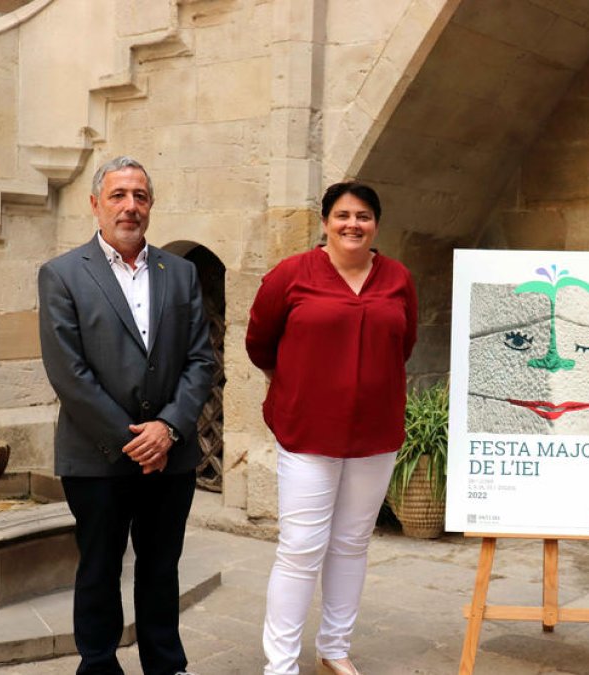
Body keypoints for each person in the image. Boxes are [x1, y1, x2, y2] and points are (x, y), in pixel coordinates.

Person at [38, 156, 214, 675]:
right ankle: (97, 665)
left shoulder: (179, 273)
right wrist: (134, 440)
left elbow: (201, 360)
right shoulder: (63, 275)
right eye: (118, 195)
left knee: (161, 570)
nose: (129, 206)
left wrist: (168, 429)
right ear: (95, 204)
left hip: (172, 455)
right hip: (96, 458)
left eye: (139, 196)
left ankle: (165, 666)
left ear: (151, 206)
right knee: (98, 569)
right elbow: (68, 374)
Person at [246, 182, 417, 675]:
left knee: (351, 543)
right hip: (308, 432)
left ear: (376, 225)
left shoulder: (398, 278)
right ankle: (280, 663)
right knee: (301, 547)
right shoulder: (291, 275)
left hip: (374, 435)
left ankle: (334, 649)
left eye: (363, 216)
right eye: (342, 215)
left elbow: (403, 343)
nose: (352, 225)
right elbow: (260, 342)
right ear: (325, 222)